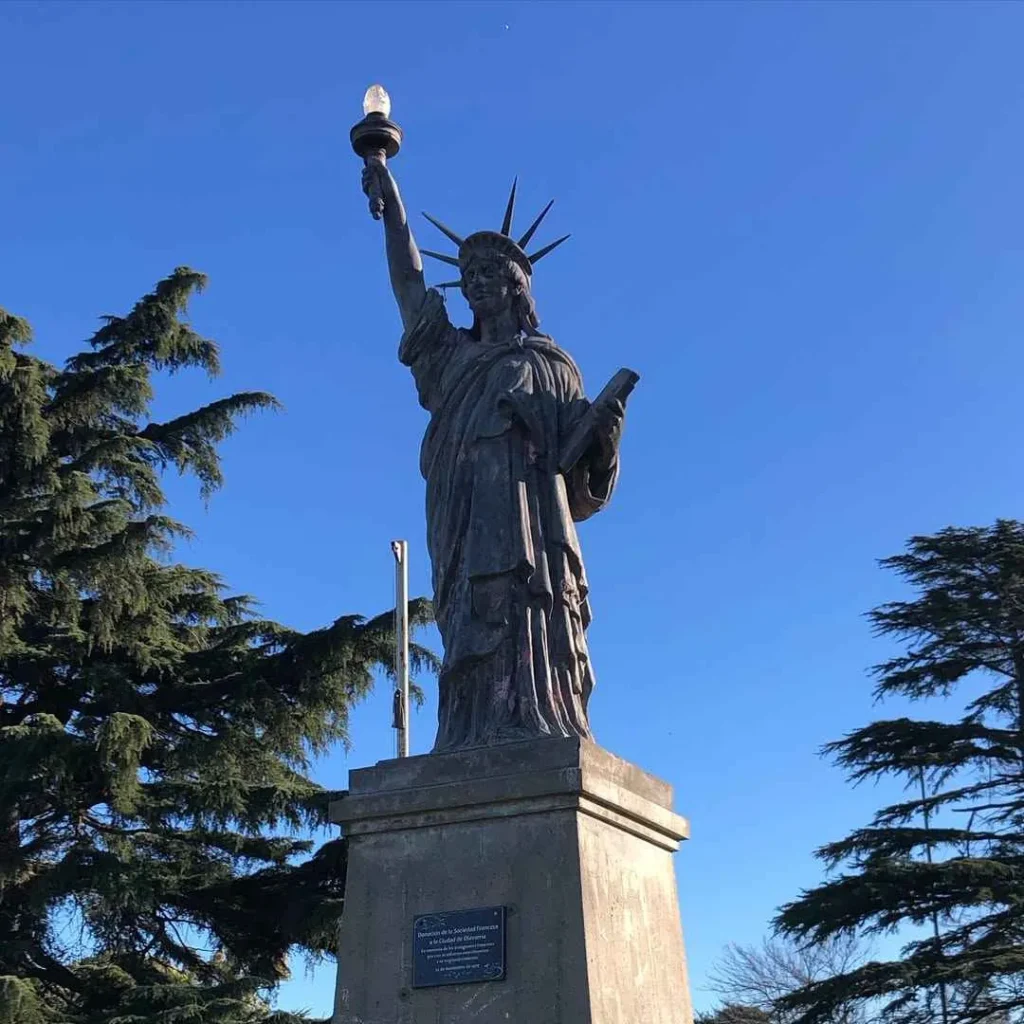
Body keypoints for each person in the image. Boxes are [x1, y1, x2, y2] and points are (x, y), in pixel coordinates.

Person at [362, 160, 625, 752]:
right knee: (468, 618)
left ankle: (537, 721)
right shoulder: (449, 355)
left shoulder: (552, 365)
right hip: (460, 506)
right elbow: (408, 282)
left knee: (528, 610)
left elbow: (579, 476)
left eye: (489, 272)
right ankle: (469, 735)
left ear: (515, 284)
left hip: (530, 517)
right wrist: (392, 200)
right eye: (469, 273)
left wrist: (606, 436)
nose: (475, 281)